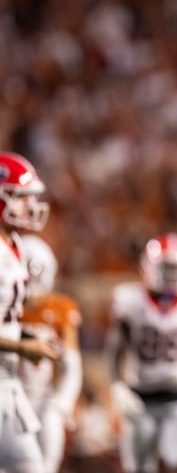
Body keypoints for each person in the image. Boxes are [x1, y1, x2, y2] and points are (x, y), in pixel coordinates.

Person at [106, 233, 177, 473]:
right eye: (166, 268)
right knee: (140, 467)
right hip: (140, 395)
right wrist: (118, 386)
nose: (171, 275)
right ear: (147, 267)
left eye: (176, 269)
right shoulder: (129, 300)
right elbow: (116, 350)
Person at [0, 152, 58, 473]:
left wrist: (26, 336)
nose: (28, 206)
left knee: (31, 466)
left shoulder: (16, 245)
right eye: (20, 198)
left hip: (7, 381)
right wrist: (23, 346)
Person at [18, 234, 83, 473]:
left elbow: (71, 363)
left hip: (43, 396)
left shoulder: (60, 308)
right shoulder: (6, 309)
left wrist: (62, 402)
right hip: (10, 396)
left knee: (46, 459)